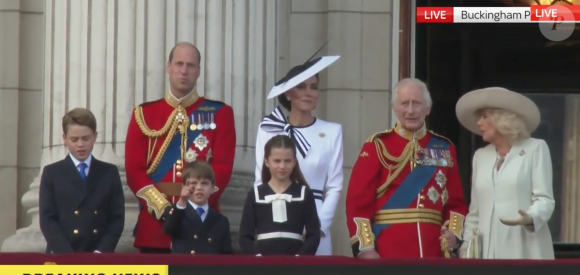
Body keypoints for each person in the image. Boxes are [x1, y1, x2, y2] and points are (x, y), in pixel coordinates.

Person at [125, 42, 236, 254]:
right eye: (179, 64)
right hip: (156, 228)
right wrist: (164, 209)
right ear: (168, 67)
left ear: (199, 71)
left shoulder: (220, 113)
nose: (184, 71)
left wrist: (194, 206)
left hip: (202, 228)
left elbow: (222, 169)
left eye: (191, 65)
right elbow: (134, 171)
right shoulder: (144, 114)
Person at [345, 78, 468, 259]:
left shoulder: (444, 148)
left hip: (433, 251)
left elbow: (456, 203)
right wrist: (365, 248)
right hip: (388, 249)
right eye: (404, 104)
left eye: (416, 104)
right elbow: (358, 203)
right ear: (394, 107)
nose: (410, 111)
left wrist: (453, 235)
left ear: (428, 107)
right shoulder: (377, 145)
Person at [254, 53, 342, 255]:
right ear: (287, 93)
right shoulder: (268, 129)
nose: (308, 92)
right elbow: (260, 180)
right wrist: (266, 221)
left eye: (314, 87)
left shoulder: (332, 131)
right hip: (275, 215)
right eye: (301, 86)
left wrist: (318, 226)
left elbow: (335, 185)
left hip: (316, 217)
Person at [455, 87, 555, 259]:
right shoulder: (481, 156)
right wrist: (466, 244)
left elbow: (545, 200)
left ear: (503, 119)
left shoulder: (535, 148)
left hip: (524, 248)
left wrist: (530, 217)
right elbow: (475, 211)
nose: (479, 123)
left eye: (485, 116)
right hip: (487, 252)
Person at [39, 108, 125, 254]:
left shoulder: (109, 172)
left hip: (98, 255)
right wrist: (66, 254)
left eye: (86, 138)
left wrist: (101, 251)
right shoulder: (52, 173)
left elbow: (116, 218)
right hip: (63, 255)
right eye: (74, 139)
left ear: (95, 136)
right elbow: (47, 219)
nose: (80, 144)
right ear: (65, 138)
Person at [240, 135, 321, 256]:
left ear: (294, 162)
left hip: (295, 263)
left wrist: (301, 258)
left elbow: (314, 234)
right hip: (263, 263)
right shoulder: (255, 194)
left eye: (287, 161)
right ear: (267, 161)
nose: (282, 166)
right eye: (277, 161)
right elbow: (245, 236)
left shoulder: (304, 193)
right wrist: (257, 257)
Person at [163, 161, 232, 255]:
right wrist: (182, 200)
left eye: (204, 183)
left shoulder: (221, 221)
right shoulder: (178, 212)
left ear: (212, 188)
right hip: (183, 267)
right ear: (184, 187)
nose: (199, 188)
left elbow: (226, 255)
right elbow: (169, 228)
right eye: (193, 183)